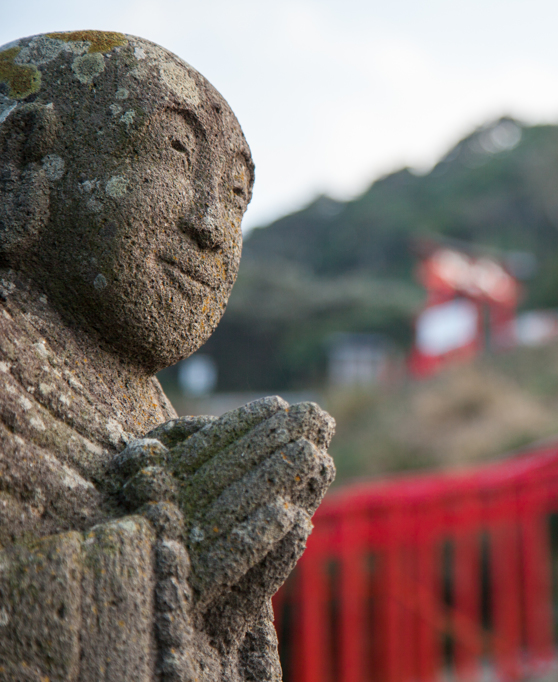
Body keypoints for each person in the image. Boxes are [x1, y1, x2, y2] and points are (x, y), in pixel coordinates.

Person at [0, 31, 335, 681]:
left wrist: (217, 605)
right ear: (19, 161)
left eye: (236, 195)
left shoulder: (155, 425)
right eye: (176, 152)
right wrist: (167, 549)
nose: (211, 225)